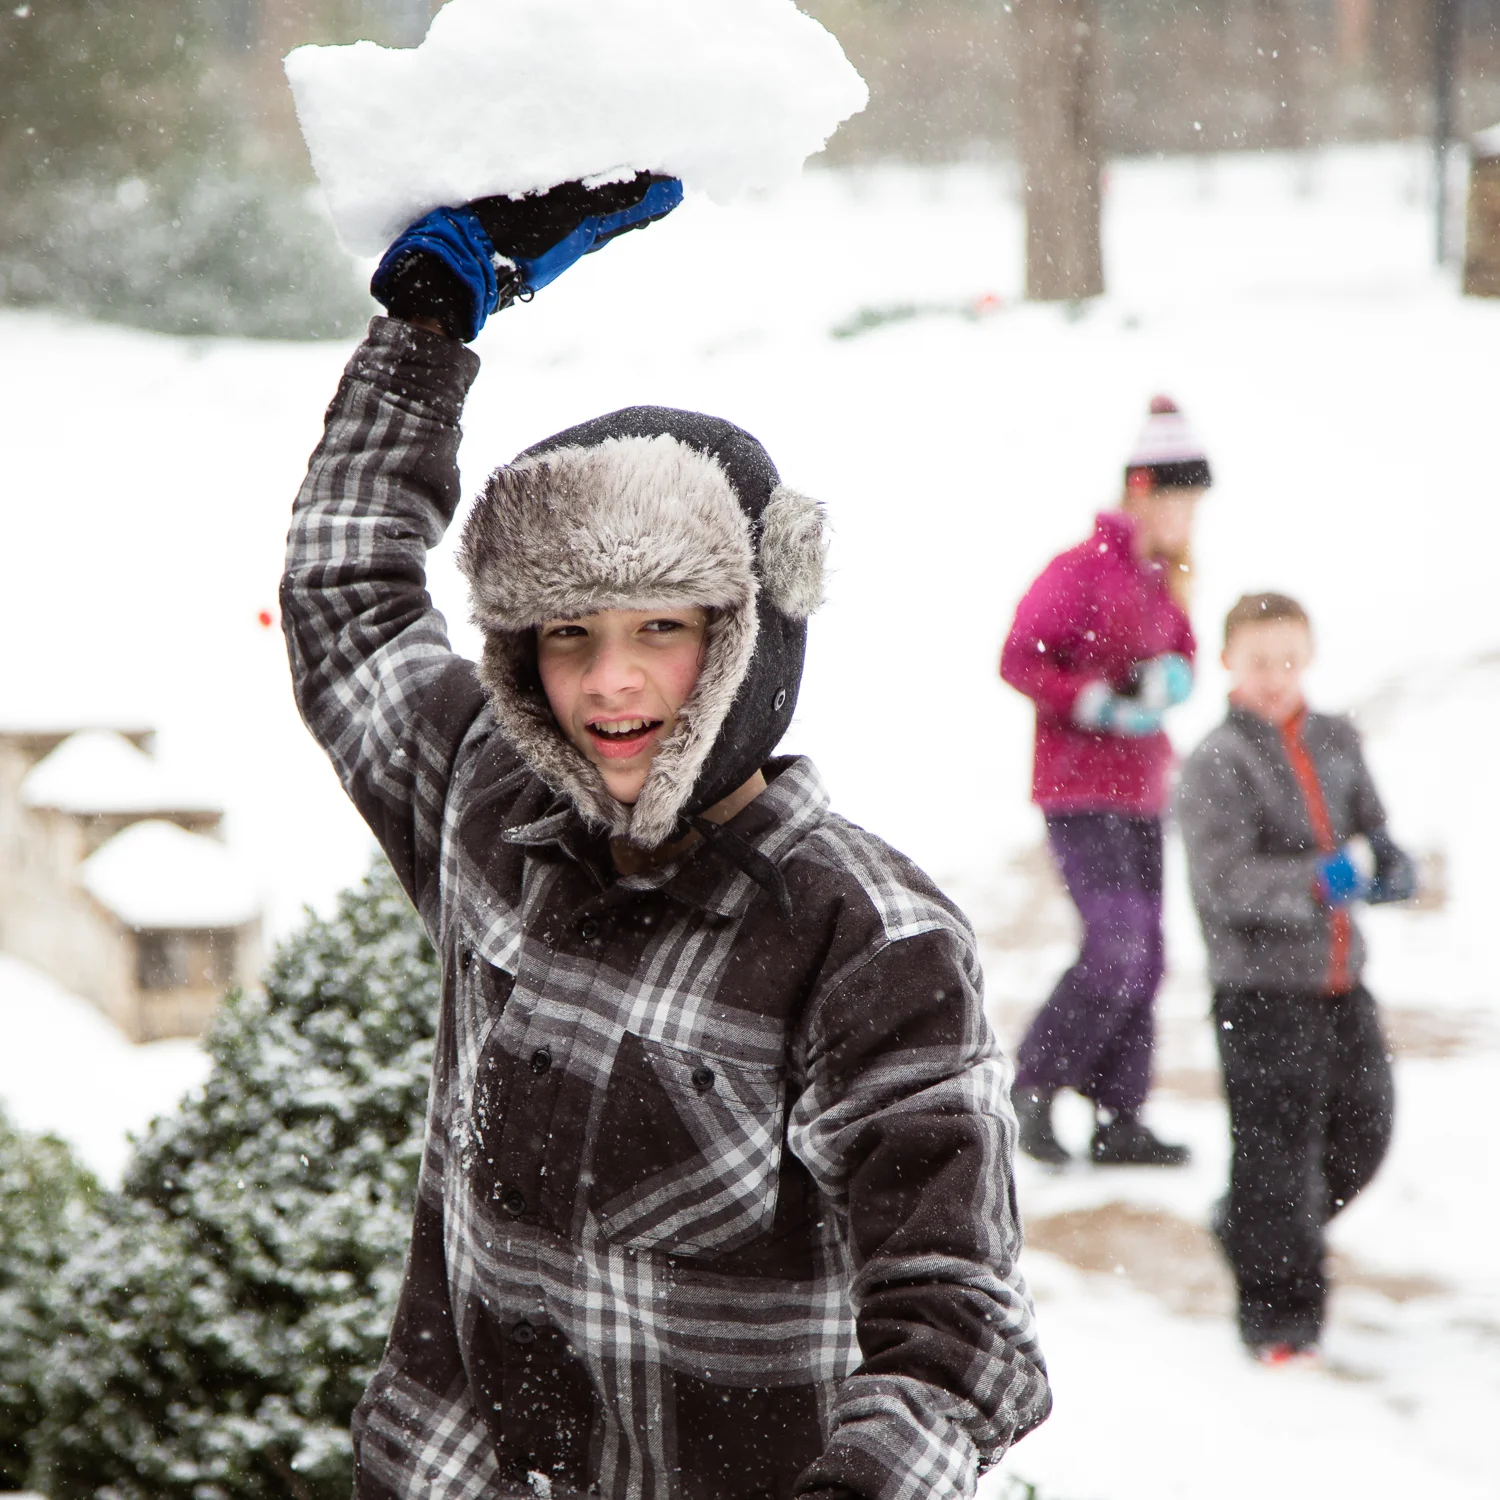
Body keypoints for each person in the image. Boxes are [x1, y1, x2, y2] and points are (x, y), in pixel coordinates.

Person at [281, 178, 1050, 1500]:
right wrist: (425, 329)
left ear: (751, 635)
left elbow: (957, 1333)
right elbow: (344, 593)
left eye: (661, 629)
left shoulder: (863, 938)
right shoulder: (489, 806)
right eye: (568, 636)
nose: (612, 683)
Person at [1176, 592, 1415, 1364]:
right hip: (1260, 993)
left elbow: (1372, 828)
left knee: (1366, 1130)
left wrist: (1391, 862)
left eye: (1287, 659)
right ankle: (1280, 1323)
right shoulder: (1217, 760)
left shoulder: (1336, 736)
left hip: (1343, 981)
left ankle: (1249, 1228)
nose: (1274, 676)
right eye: (1258, 662)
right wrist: (1318, 879)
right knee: (1275, 1160)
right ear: (1227, 663)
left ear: (1308, 657)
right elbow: (1224, 883)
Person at [999, 396, 1208, 1168]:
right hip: (1079, 791)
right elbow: (1020, 656)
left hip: (1144, 789)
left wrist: (1173, 679)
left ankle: (1120, 1117)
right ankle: (1032, 1085)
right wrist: (1090, 699)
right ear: (1143, 490)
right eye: (1182, 501)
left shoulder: (1162, 581)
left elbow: (1184, 651)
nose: (1190, 519)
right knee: (1117, 945)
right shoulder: (1079, 570)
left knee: (1148, 955)